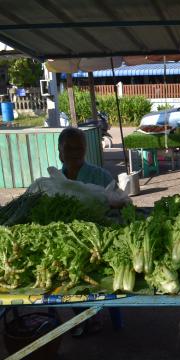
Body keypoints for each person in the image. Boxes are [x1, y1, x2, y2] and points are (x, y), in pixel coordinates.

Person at [58, 127, 120, 336]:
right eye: (69, 148)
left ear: (85, 150)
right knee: (65, 271)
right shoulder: (55, 180)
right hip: (67, 244)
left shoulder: (100, 176)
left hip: (98, 243)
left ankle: (91, 316)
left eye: (79, 148)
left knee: (89, 269)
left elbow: (121, 204)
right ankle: (83, 315)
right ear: (59, 151)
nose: (74, 153)